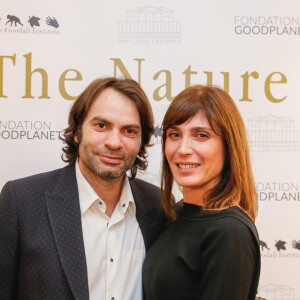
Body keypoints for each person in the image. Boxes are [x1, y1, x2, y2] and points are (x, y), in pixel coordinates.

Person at [0, 77, 165, 300]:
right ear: (77, 132)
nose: (114, 142)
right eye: (101, 126)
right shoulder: (21, 201)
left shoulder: (159, 206)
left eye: (129, 131)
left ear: (142, 141)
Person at [143, 85, 260, 300]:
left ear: (229, 147)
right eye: (174, 134)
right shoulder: (178, 214)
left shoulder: (228, 231)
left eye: (201, 135)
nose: (183, 149)